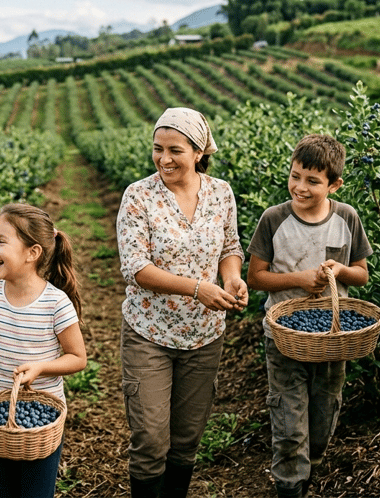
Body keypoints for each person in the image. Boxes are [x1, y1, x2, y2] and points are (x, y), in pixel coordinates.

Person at [116, 107, 248, 498]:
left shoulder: (221, 192)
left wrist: (232, 278)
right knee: (151, 439)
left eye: (175, 150)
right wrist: (197, 288)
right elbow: (136, 267)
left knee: (187, 438)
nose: (164, 159)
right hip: (149, 333)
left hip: (204, 336)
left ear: (198, 152)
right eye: (157, 149)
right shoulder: (139, 195)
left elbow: (230, 246)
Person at [246, 134, 372, 498]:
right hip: (284, 336)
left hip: (333, 338)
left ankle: (310, 464)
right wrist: (300, 279)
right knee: (288, 418)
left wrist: (340, 270)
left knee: (323, 412)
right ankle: (290, 484)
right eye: (295, 175)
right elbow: (256, 277)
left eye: (312, 181)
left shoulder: (347, 218)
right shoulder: (274, 219)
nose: (300, 187)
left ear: (334, 184)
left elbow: (361, 273)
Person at [0, 203, 87, 498]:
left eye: (1, 241)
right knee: (4, 491)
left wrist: (40, 367)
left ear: (32, 253)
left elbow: (78, 358)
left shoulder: (55, 303)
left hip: (42, 419)